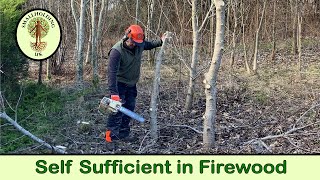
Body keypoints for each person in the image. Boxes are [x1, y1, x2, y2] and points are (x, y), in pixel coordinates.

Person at [102, 24, 165, 145]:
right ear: (127, 37)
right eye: (133, 42)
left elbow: (149, 45)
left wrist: (160, 41)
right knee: (116, 111)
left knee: (129, 109)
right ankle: (110, 138)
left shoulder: (139, 45)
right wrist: (114, 94)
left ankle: (123, 134)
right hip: (119, 84)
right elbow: (111, 74)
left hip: (131, 84)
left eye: (138, 42)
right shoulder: (116, 51)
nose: (135, 44)